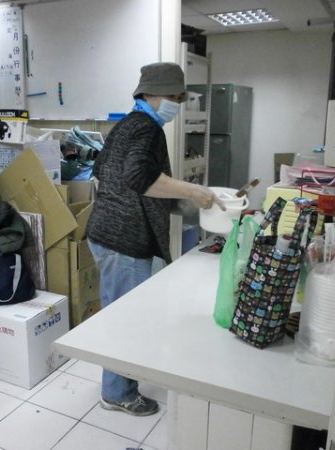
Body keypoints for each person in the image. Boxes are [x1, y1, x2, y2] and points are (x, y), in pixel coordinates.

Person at [86, 62, 225, 416]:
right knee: (124, 321)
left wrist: (190, 204)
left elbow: (115, 176)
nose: (177, 103)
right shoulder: (146, 128)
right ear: (152, 94)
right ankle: (118, 393)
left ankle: (116, 385)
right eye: (174, 97)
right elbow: (139, 178)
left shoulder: (127, 125)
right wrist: (193, 190)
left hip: (106, 235)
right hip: (124, 242)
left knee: (117, 315)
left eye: (179, 97)